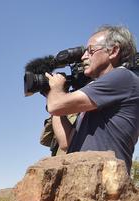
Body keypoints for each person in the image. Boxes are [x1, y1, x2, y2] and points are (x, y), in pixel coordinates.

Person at [47, 25, 139, 172]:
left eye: (90, 50)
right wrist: (51, 94)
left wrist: (56, 91)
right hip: (84, 179)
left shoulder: (123, 77)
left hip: (106, 182)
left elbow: (55, 105)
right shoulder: (96, 93)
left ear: (114, 51)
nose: (83, 57)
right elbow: (66, 142)